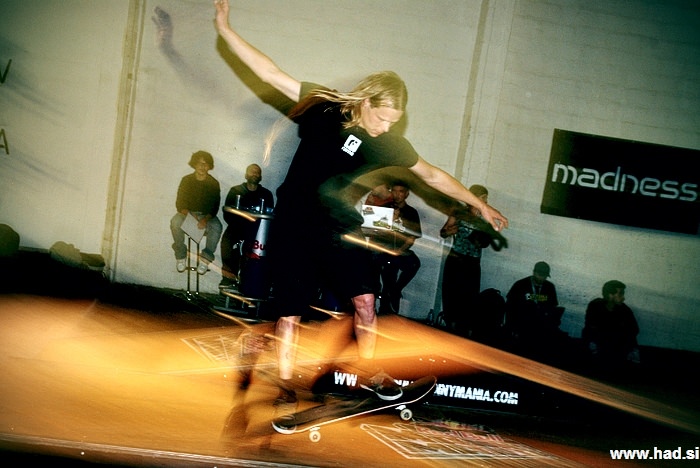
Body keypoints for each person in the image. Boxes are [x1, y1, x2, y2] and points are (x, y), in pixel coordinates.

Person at [213, 0, 508, 405]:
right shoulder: (324, 108)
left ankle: (369, 376)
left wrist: (479, 204)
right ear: (366, 102)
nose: (386, 128)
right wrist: (225, 29)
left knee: (366, 300)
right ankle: (285, 386)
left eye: (393, 122)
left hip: (337, 224)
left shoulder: (387, 142)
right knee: (290, 312)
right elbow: (270, 73)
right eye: (382, 118)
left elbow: (432, 175)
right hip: (296, 222)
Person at [439, 184, 507, 336]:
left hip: (472, 263)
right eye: (482, 198)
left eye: (486, 199)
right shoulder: (459, 212)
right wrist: (449, 231)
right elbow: (443, 232)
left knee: (469, 296)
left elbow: (486, 242)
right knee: (451, 294)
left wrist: (482, 238)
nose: (485, 202)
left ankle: (464, 330)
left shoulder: (485, 217)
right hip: (456, 258)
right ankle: (450, 326)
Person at [366, 181, 422, 315]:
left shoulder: (411, 212)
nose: (397, 195)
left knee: (414, 263)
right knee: (385, 273)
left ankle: (394, 292)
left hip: (398, 249)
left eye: (400, 191)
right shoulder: (384, 208)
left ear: (406, 194)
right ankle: (382, 308)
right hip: (382, 248)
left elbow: (412, 237)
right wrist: (389, 222)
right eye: (394, 191)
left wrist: (400, 251)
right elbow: (371, 231)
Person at [220, 164, 275, 288]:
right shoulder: (235, 191)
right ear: (246, 175)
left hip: (257, 231)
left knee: (257, 250)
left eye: (257, 172)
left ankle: (249, 281)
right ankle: (228, 278)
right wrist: (238, 225)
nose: (254, 174)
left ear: (260, 177)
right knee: (227, 242)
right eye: (252, 171)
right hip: (237, 227)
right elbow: (227, 213)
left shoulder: (266, 194)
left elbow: (269, 217)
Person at [170, 150, 223, 275]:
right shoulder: (186, 180)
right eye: (199, 163)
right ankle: (181, 255)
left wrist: (205, 219)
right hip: (187, 214)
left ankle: (205, 259)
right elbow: (180, 203)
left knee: (217, 226)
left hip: (206, 217)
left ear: (209, 166)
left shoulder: (214, 183)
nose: (202, 166)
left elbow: (215, 207)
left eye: (205, 164)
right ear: (194, 164)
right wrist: (190, 215)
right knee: (175, 222)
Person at [505, 261, 566, 359]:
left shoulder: (550, 287)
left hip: (540, 327)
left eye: (544, 276)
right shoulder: (520, 285)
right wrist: (511, 327)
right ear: (533, 272)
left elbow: (553, 307)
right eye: (540, 275)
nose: (542, 278)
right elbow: (510, 308)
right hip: (521, 326)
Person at [582, 280, 641, 372]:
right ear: (610, 295)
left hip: (615, 344)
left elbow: (634, 330)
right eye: (620, 294)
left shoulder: (625, 310)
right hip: (600, 342)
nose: (623, 298)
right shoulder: (596, 305)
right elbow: (591, 326)